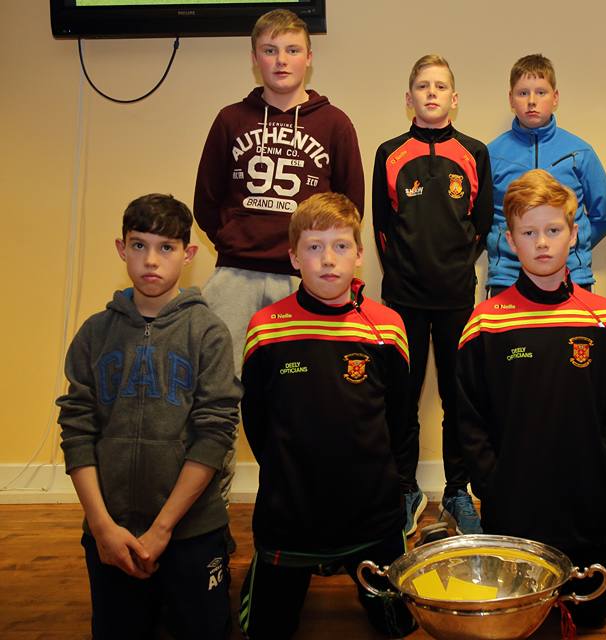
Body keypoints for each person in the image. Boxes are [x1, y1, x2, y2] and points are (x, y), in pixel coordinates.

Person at [193, 8, 364, 512]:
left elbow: (350, 206)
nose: (281, 60)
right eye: (270, 50)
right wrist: (233, 237)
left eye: (291, 50)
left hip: (305, 284)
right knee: (217, 401)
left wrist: (326, 267)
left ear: (308, 59)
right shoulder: (231, 120)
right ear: (255, 60)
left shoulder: (334, 123)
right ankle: (209, 519)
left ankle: (311, 508)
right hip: (236, 278)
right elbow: (206, 199)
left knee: (309, 401)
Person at [57, 194, 241, 640]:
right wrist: (101, 527)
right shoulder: (94, 333)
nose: (151, 261)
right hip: (111, 532)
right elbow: (77, 428)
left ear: (188, 254)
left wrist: (162, 530)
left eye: (166, 248)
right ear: (121, 249)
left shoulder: (208, 333)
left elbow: (214, 434)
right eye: (138, 246)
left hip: (192, 531)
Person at [457, 169, 606, 628]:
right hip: (513, 496)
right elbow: (468, 413)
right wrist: (490, 479)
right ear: (510, 241)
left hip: (585, 495)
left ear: (573, 234)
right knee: (523, 619)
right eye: (528, 232)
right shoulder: (487, 322)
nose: (542, 242)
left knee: (590, 616)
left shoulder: (604, 319)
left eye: (553, 230)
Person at [238, 193, 416, 639]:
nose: (328, 259)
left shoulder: (387, 325)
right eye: (314, 247)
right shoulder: (267, 326)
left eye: (340, 246)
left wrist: (390, 484)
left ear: (359, 256)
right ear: (295, 257)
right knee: (263, 629)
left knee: (400, 625)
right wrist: (285, 472)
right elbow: (257, 420)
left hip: (372, 514)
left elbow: (400, 418)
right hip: (290, 513)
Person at [372, 54, 493, 537]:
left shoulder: (474, 151)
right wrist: (404, 274)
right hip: (402, 298)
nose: (431, 93)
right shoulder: (389, 152)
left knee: (456, 398)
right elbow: (382, 226)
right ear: (409, 98)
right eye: (422, 86)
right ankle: (406, 488)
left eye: (440, 86)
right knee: (401, 398)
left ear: (454, 99)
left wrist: (457, 266)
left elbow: (481, 223)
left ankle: (458, 491)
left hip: (455, 298)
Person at [486, 54, 606, 296]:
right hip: (507, 279)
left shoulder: (579, 152)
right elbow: (480, 220)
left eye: (541, 92)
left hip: (572, 276)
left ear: (555, 98)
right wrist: (502, 244)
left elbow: (604, 214)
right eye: (523, 93)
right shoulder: (491, 155)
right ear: (511, 99)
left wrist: (570, 243)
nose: (532, 101)